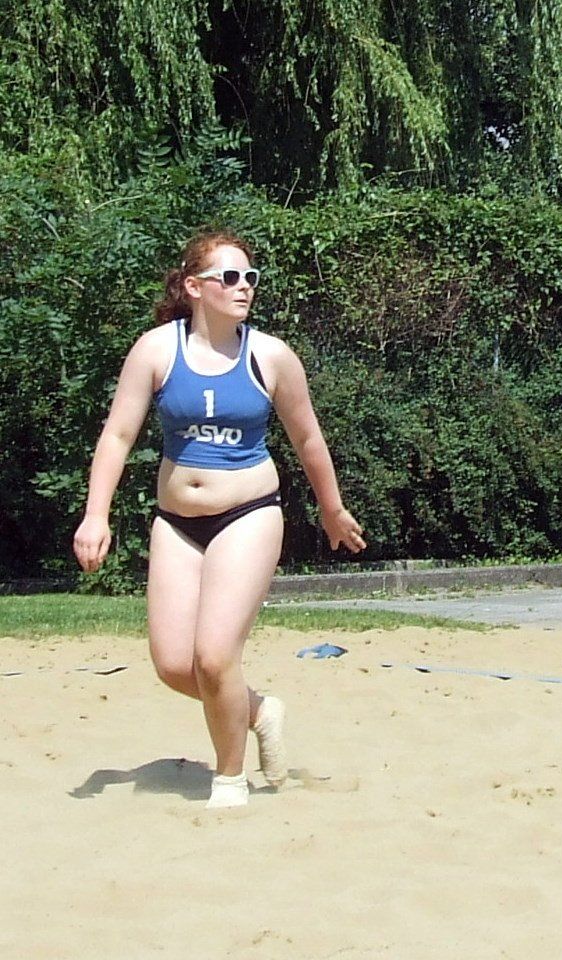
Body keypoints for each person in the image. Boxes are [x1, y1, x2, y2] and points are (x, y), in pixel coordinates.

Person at [72, 229, 366, 809]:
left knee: (214, 657)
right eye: (229, 277)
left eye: (249, 277)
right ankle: (259, 710)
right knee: (174, 666)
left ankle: (229, 780)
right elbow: (118, 436)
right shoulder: (157, 350)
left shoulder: (270, 356)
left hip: (248, 514)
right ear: (193, 287)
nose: (244, 287)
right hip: (177, 523)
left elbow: (308, 439)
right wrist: (95, 515)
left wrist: (332, 509)